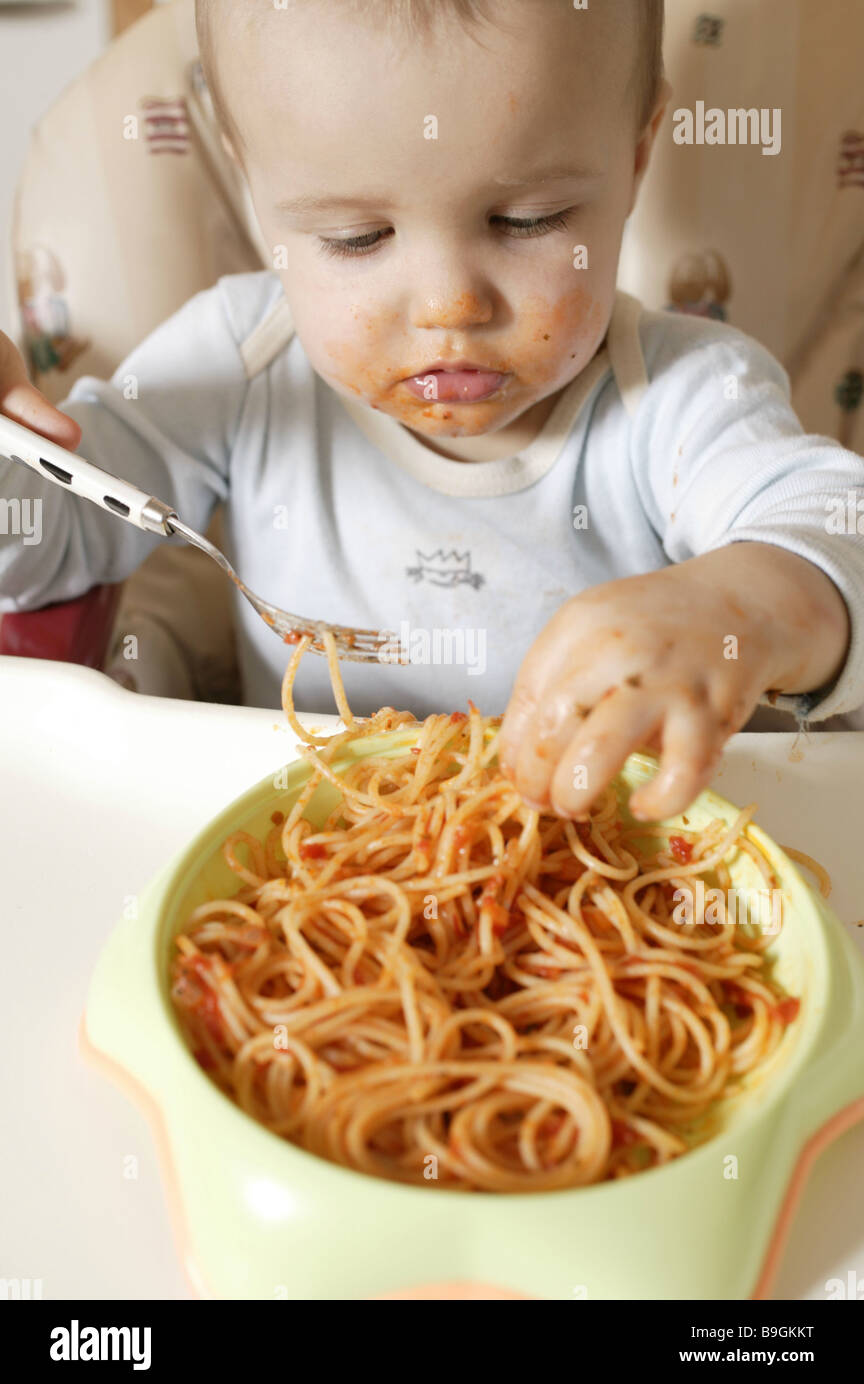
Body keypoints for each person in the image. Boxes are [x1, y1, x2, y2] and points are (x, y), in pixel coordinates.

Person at [1, 0, 862, 825]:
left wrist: (739, 607)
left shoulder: (679, 392)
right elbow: (54, 543)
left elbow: (834, 521)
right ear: (250, 181)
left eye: (528, 220)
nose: (449, 305)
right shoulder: (235, 364)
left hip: (625, 866)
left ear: (635, 159)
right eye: (356, 239)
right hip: (310, 868)